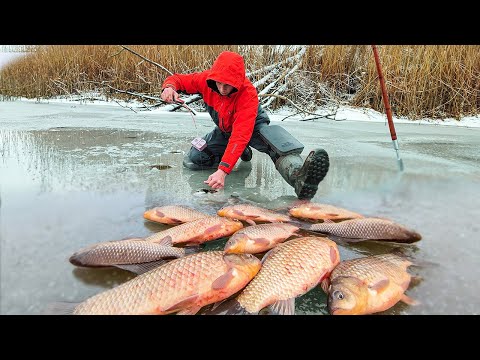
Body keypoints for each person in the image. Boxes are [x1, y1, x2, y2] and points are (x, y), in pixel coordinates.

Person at [160, 50, 329, 200]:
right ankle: (241, 151)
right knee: (195, 158)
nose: (222, 88)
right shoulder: (205, 79)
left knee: (275, 144)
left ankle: (298, 177)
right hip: (225, 129)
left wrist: (223, 171)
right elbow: (178, 79)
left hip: (253, 125)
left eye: (228, 84)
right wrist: (169, 88)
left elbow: (241, 134)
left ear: (237, 81)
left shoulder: (247, 94)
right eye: (219, 83)